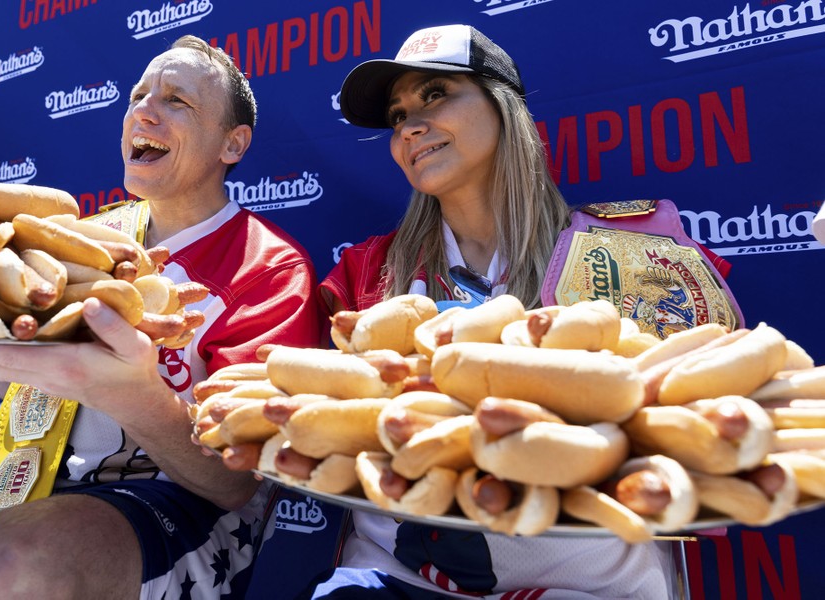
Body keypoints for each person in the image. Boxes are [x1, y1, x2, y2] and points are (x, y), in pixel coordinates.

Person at [306, 24, 742, 598]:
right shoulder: (363, 276)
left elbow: (708, 454)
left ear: (503, 106)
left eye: (435, 95)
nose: (410, 125)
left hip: (594, 586)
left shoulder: (633, 253)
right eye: (397, 115)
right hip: (393, 580)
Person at [0, 34, 322, 598]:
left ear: (232, 144)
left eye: (176, 101)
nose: (145, 110)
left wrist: (129, 391)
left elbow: (234, 485)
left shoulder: (270, 268)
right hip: (29, 476)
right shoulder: (94, 235)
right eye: (138, 95)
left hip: (186, 505)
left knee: (3, 564)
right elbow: (33, 387)